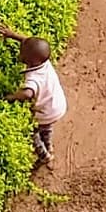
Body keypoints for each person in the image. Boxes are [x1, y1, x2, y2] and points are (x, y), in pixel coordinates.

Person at [18, 36, 69, 176]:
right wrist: (13, 35)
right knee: (46, 128)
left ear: (30, 60)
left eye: (22, 52)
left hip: (45, 112)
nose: (20, 52)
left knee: (32, 133)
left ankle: (44, 156)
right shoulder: (44, 62)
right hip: (57, 106)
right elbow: (31, 44)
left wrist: (10, 97)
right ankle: (49, 145)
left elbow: (27, 94)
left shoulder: (34, 77)